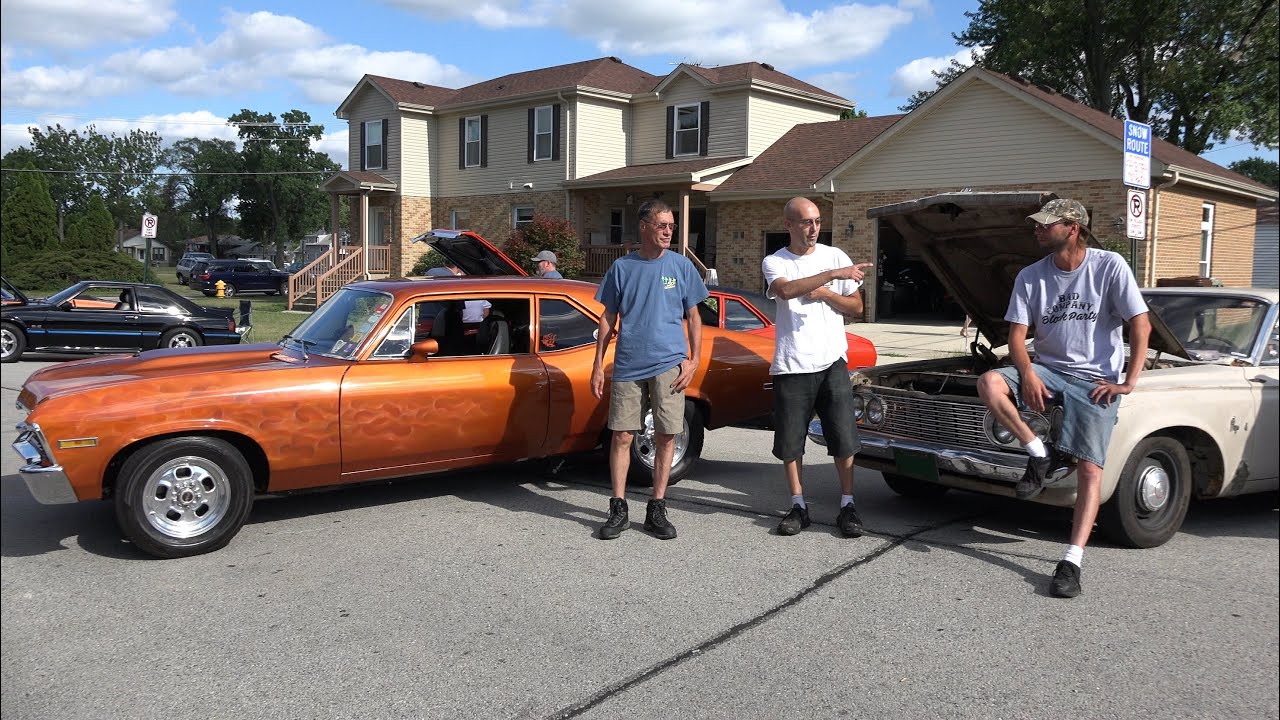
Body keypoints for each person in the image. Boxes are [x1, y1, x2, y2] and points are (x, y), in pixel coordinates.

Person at [976, 198, 1150, 599]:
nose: (1036, 230)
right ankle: (1039, 452)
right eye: (1037, 224)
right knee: (989, 383)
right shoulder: (1031, 275)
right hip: (1048, 369)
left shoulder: (1109, 266)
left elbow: (1140, 325)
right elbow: (1017, 335)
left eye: (1045, 225)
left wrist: (1128, 382)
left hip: (1095, 379)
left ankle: (1072, 561)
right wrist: (1028, 373)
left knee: (1090, 470)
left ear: (1072, 228)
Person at [591, 198, 707, 541]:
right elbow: (608, 317)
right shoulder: (622, 268)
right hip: (628, 363)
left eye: (672, 226)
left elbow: (695, 316)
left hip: (669, 364)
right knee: (622, 435)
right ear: (644, 227)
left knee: (666, 435)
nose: (668, 232)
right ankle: (618, 508)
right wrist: (597, 365)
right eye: (662, 225)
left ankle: (657, 507)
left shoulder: (681, 266)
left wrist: (694, 360)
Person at [762, 197, 873, 538]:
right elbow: (785, 290)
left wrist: (827, 294)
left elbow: (856, 307)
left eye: (818, 221)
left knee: (843, 437)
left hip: (832, 361)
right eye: (806, 222)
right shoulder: (775, 261)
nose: (814, 229)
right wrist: (833, 275)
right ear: (789, 225)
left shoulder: (835, 254)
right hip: (792, 363)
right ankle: (798, 506)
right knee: (791, 442)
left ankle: (848, 505)